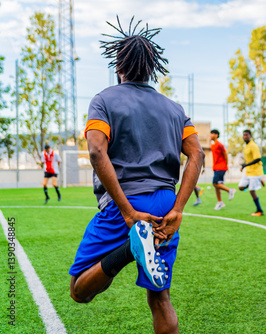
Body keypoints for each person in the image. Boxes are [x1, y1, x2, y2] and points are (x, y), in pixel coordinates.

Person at [68, 18, 204, 334]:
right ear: (152, 66)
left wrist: (129, 213)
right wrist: (178, 209)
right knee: (159, 297)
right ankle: (138, 246)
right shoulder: (174, 108)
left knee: (79, 290)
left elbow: (96, 152)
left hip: (125, 205)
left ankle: (130, 249)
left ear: (119, 65)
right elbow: (197, 154)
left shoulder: (103, 100)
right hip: (165, 205)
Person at [239, 130, 264, 216]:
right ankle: (259, 180)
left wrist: (245, 165)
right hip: (248, 171)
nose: (245, 136)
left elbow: (258, 159)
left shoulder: (253, 146)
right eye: (244, 135)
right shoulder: (246, 146)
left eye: (246, 135)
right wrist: (244, 166)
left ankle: (259, 210)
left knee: (252, 191)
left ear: (250, 135)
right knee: (241, 187)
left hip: (255, 171)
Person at [210, 129, 236, 210]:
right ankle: (220, 202)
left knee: (214, 183)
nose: (210, 135)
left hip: (221, 167)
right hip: (216, 167)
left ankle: (230, 190)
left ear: (216, 135)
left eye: (212, 134)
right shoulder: (212, 145)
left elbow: (225, 154)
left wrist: (226, 165)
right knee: (217, 186)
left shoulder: (220, 145)